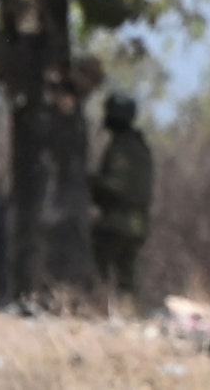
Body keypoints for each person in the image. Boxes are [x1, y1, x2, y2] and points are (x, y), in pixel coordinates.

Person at [90, 91, 154, 297]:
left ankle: (95, 309)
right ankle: (127, 315)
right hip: (137, 223)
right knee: (126, 279)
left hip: (118, 222)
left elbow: (117, 187)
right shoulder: (140, 146)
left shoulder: (123, 147)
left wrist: (88, 182)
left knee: (96, 267)